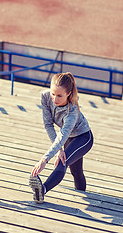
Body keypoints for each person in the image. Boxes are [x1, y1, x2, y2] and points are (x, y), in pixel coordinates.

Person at [29, 72, 93, 203]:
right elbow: (48, 125)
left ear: (68, 93)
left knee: (61, 163)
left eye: (59, 96)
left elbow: (63, 134)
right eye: (53, 93)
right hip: (68, 138)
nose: (54, 99)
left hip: (83, 138)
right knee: (76, 172)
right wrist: (59, 150)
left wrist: (45, 159)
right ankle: (82, 197)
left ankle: (42, 190)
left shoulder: (72, 112)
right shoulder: (45, 96)